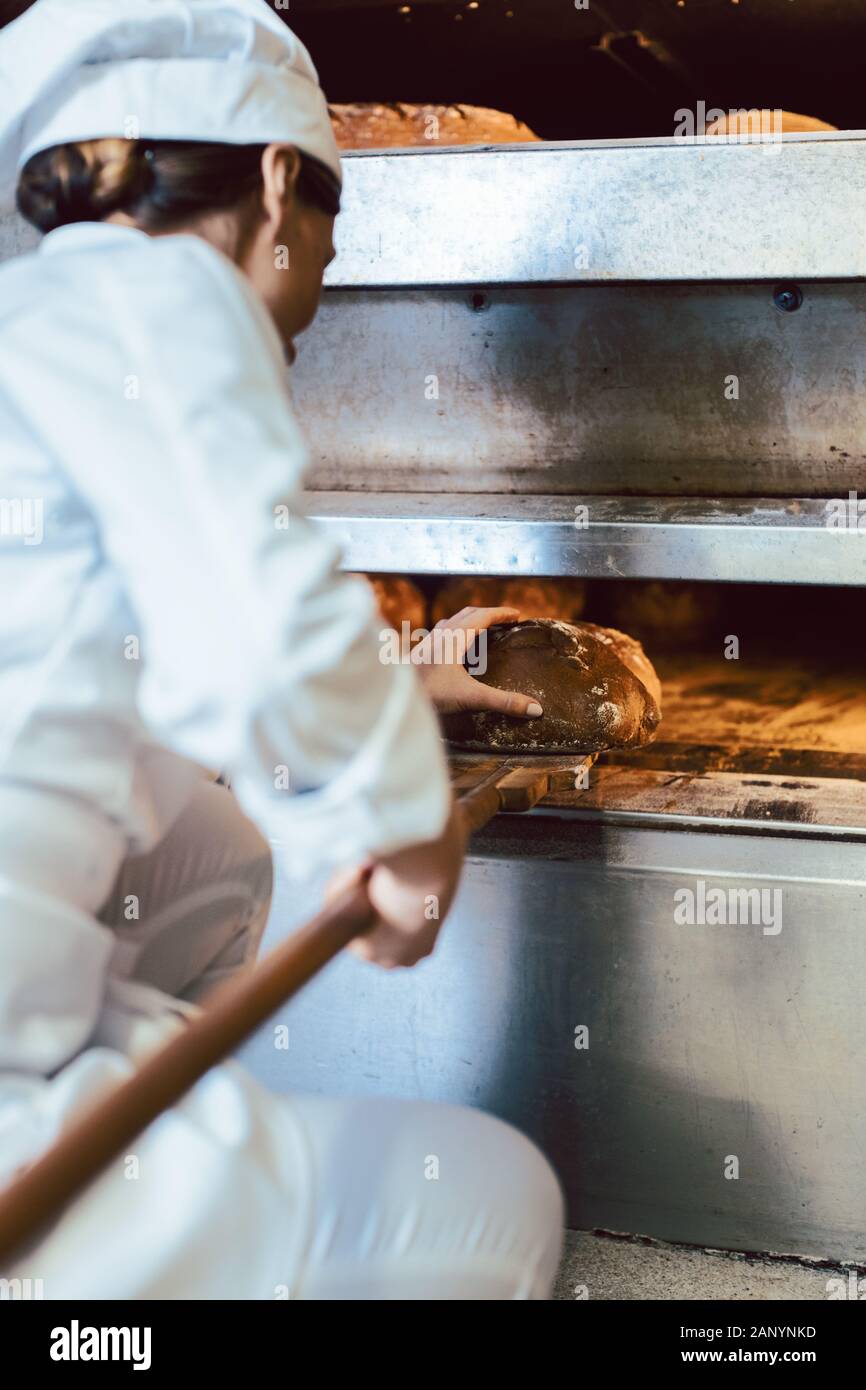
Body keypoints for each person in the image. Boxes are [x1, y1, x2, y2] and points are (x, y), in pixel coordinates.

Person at [0, 0, 563, 1299]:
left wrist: (388, 686)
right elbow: (257, 630)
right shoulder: (162, 297)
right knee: (492, 1199)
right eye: (330, 220)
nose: (318, 268)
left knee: (221, 857)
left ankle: (174, 1181)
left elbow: (99, 645)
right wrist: (408, 829)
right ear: (273, 186)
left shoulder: (37, 317)